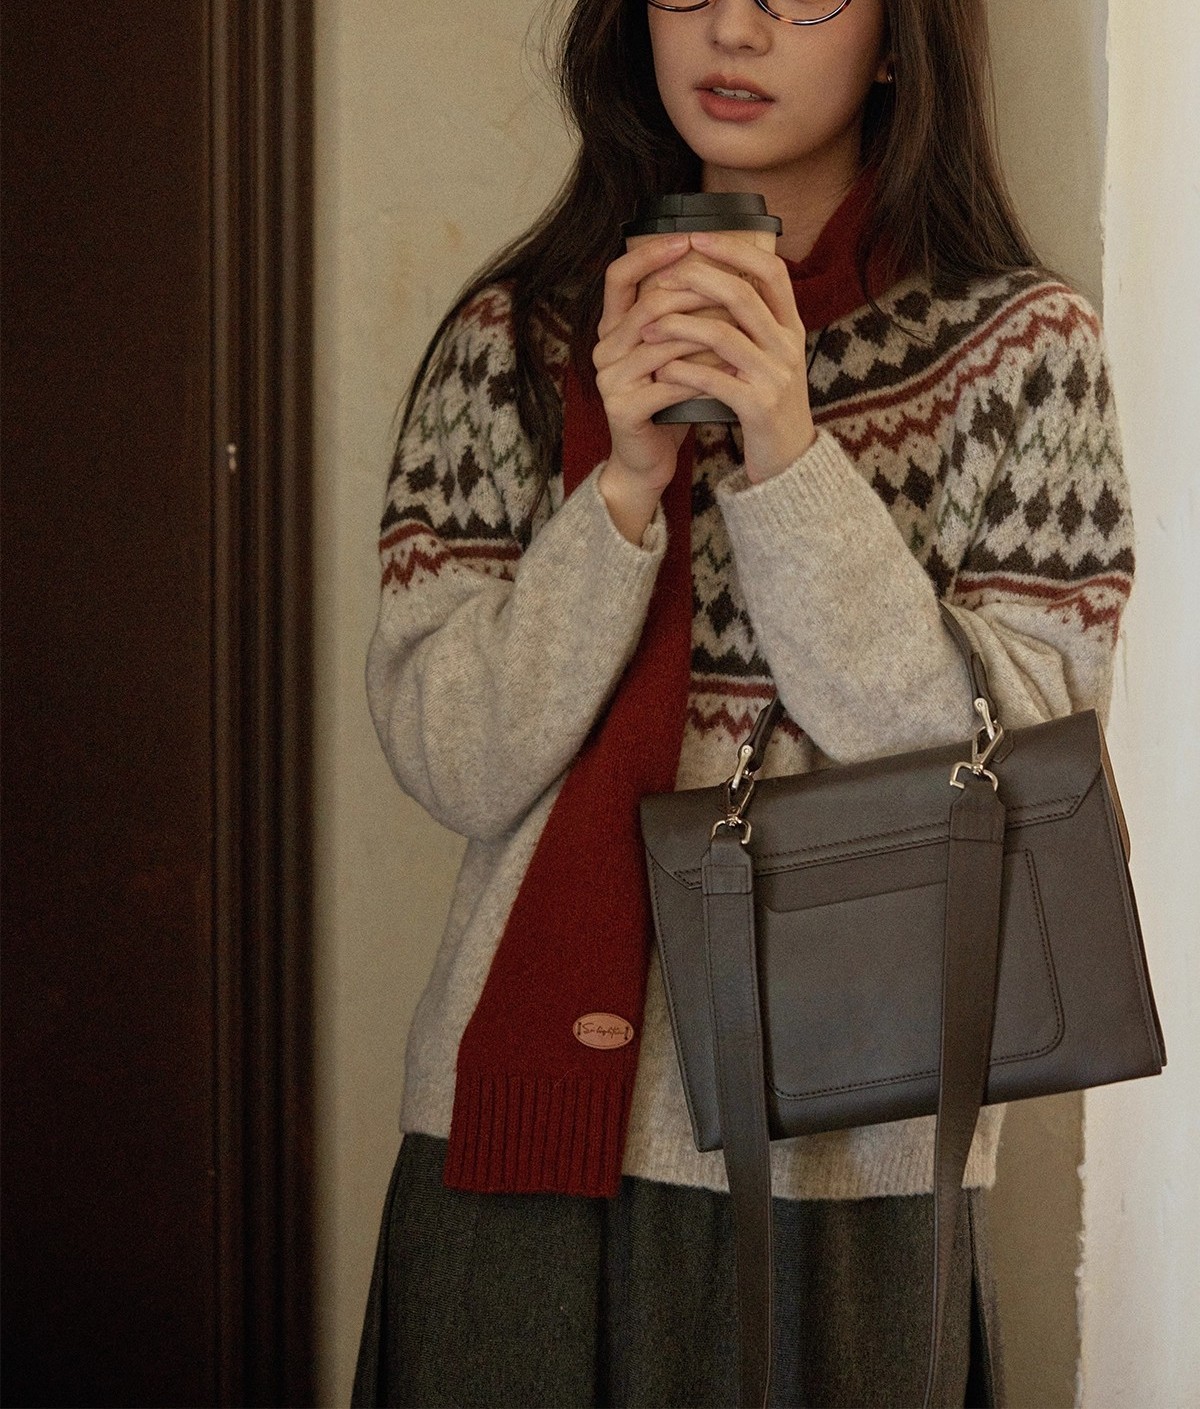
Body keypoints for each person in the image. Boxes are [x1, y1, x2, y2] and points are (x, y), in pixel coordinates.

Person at [353, 0, 1133, 1404]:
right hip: (519, 1143)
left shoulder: (1023, 351)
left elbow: (1012, 784)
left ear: (897, 36)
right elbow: (452, 756)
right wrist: (622, 492)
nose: (734, 25)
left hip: (851, 1160)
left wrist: (788, 456)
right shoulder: (515, 339)